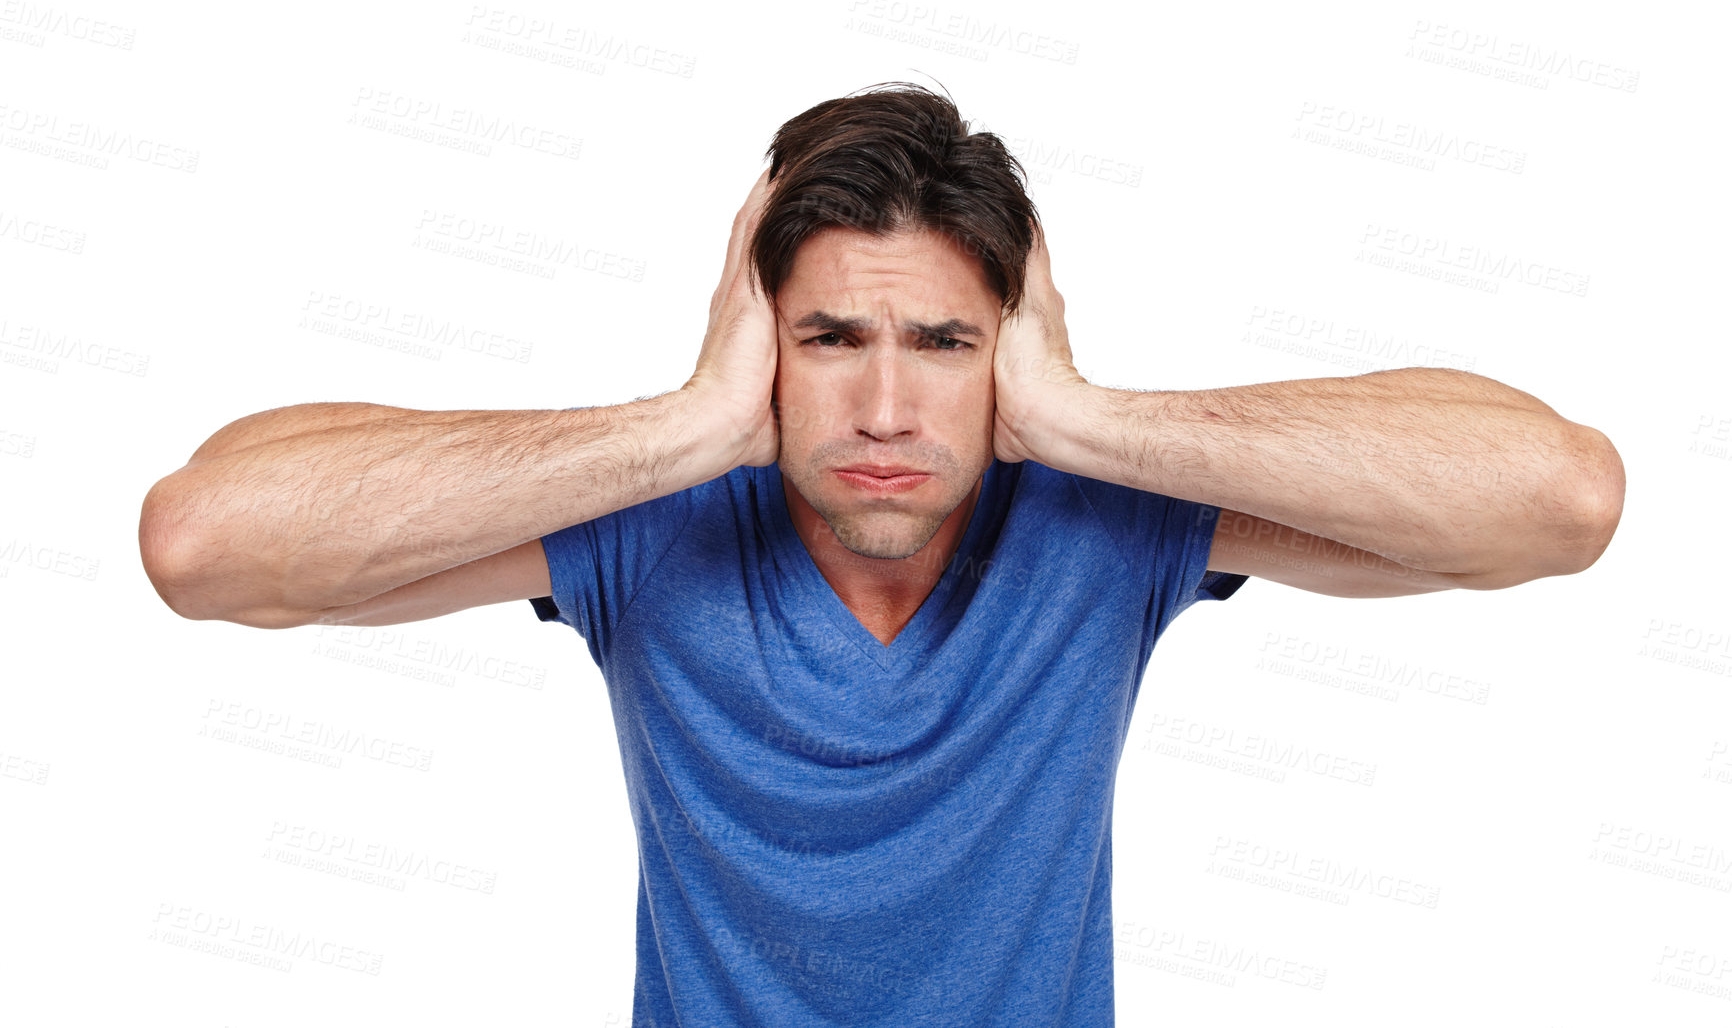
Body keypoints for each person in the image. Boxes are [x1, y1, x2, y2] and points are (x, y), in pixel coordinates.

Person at [138, 82, 1624, 1025]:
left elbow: (1558, 498)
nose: (891, 406)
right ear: (757, 344)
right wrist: (686, 426)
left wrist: (1084, 417)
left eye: (947, 342)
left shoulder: (1099, 517)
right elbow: (205, 541)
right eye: (829, 339)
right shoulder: (655, 523)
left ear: (1009, 352)